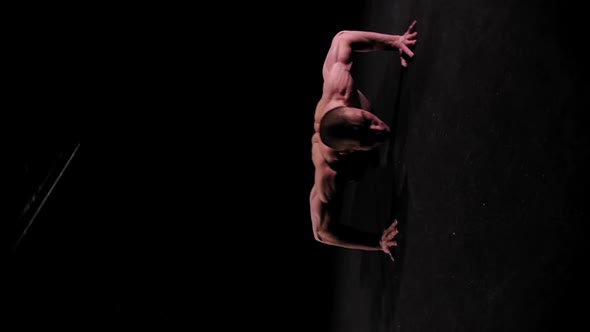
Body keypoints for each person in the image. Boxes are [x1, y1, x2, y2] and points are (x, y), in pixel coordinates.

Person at [309, 20, 418, 261]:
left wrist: (396, 41)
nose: (381, 127)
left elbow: (342, 37)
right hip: (348, 164)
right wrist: (377, 242)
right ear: (348, 152)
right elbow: (321, 232)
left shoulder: (338, 89)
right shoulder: (329, 173)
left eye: (369, 120)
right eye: (370, 137)